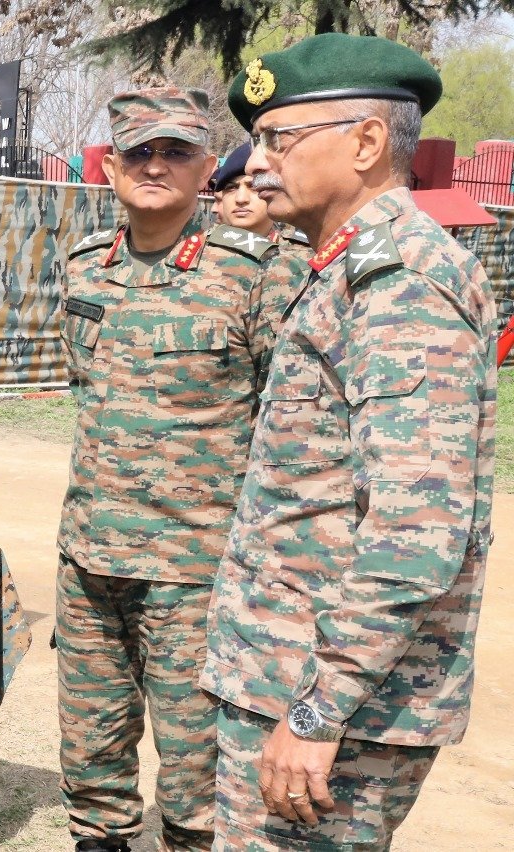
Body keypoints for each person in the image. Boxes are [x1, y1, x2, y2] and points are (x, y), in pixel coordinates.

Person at [201, 33, 497, 851]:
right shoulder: (343, 266)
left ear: (366, 143)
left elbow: (414, 531)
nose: (256, 165)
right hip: (292, 675)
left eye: (277, 140)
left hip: (333, 706)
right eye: (256, 141)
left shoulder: (401, 281)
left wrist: (317, 707)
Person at [56, 88, 301, 852]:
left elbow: (284, 427)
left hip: (194, 573)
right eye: (138, 151)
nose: (153, 165)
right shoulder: (83, 269)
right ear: (110, 167)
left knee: (198, 775)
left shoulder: (254, 275)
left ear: (207, 171)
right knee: (91, 755)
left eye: (174, 152)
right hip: (89, 560)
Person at [213, 142, 273, 237]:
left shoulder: (302, 249)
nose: (240, 199)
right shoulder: (194, 248)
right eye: (231, 188)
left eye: (254, 186)